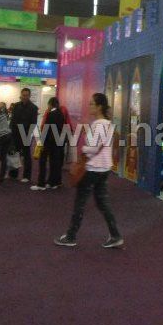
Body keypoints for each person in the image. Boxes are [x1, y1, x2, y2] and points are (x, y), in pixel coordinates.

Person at [55, 92, 123, 249]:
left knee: (80, 202)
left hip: (92, 168)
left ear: (99, 106)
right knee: (102, 203)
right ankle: (115, 235)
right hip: (104, 168)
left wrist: (83, 149)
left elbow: (92, 148)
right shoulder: (108, 124)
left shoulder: (98, 125)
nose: (89, 106)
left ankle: (71, 236)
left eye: (92, 103)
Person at [31, 97, 65, 191]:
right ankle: (52, 183)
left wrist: (41, 142)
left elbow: (46, 129)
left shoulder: (50, 114)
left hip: (48, 142)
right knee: (54, 163)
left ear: (50, 104)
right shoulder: (61, 114)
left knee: (42, 162)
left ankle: (41, 184)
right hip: (57, 142)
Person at [10, 88, 38, 183]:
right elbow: (13, 120)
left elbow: (33, 123)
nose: (25, 97)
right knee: (14, 154)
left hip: (26, 134)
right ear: (21, 95)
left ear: (29, 96)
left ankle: (26, 176)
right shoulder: (16, 106)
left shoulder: (33, 108)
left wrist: (28, 134)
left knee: (26, 156)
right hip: (15, 134)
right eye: (23, 95)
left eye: (26, 95)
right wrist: (11, 131)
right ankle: (13, 174)